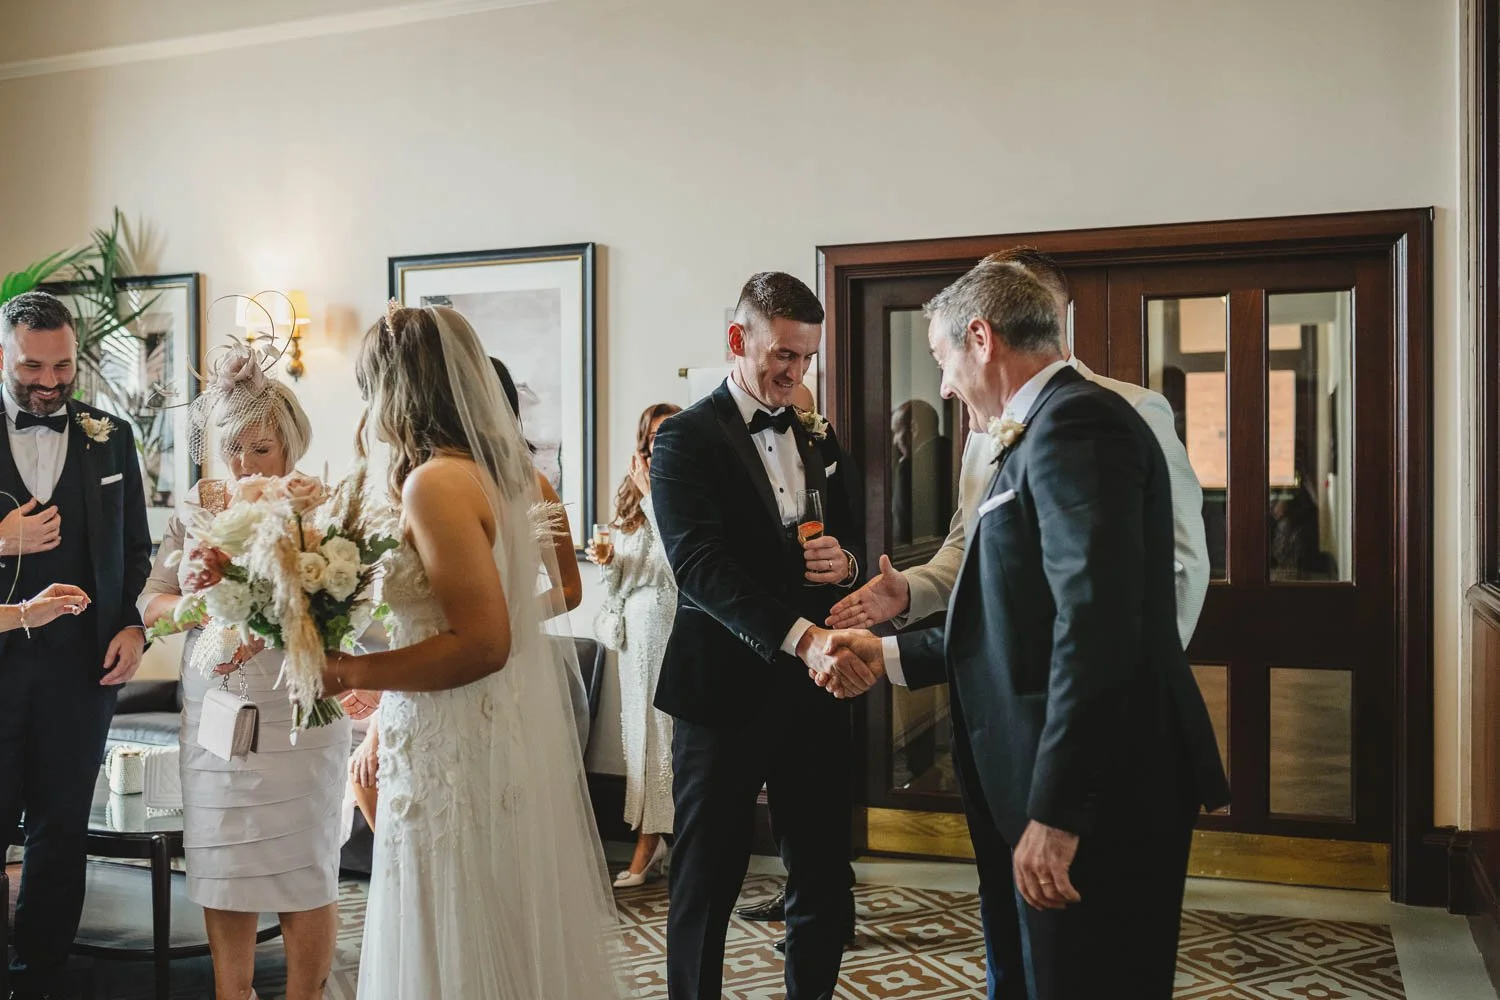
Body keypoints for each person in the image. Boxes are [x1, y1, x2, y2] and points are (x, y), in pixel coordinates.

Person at [817, 261, 1229, 999]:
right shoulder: (1033, 431)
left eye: (943, 360)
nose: (942, 385)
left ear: (981, 338)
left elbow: (1094, 623)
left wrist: (1059, 810)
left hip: (1098, 783)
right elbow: (1011, 619)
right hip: (1048, 768)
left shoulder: (1080, 423)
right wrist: (884, 652)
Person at [322, 303, 618, 999]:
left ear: (398, 389)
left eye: (370, 386)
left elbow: (482, 643)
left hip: (449, 730)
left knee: (450, 908)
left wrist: (351, 670)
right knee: (495, 903)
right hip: (488, 722)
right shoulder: (509, 475)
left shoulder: (435, 484)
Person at [649, 272, 863, 1000]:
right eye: (782, 355)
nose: (795, 373)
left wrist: (847, 561)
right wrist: (802, 637)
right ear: (738, 340)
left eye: (806, 359)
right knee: (706, 880)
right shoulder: (683, 438)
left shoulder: (817, 430)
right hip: (721, 691)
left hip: (812, 691)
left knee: (822, 875)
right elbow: (700, 569)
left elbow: (848, 538)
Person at [828, 246, 1209, 649]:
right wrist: (912, 590)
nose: (944, 386)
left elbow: (1179, 564)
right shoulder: (983, 425)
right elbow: (970, 543)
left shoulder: (1132, 411)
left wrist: (1131, 679)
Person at [138, 347, 347, 1000]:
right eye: (232, 450)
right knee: (223, 866)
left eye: (260, 450)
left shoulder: (324, 514)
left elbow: (356, 615)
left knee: (304, 868)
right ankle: (233, 993)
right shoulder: (195, 512)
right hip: (218, 715)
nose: (244, 466)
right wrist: (198, 600)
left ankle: (305, 995)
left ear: (290, 444)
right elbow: (153, 606)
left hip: (298, 716)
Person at [344, 354, 586, 829]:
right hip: (443, 670)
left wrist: (507, 618)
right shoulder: (452, 482)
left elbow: (570, 588)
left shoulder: (508, 484)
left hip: (487, 667)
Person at [0, 291, 152, 1000]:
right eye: (33, 366)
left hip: (79, 670)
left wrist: (133, 626)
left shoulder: (109, 436)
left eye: (62, 367)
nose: (50, 382)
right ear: (3, 354)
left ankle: (40, 976)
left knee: (61, 832)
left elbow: (135, 550)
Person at [586, 401, 681, 888]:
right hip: (632, 636)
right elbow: (625, 570)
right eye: (652, 440)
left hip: (669, 627)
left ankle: (656, 838)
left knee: (664, 733)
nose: (658, 449)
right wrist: (605, 561)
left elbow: (679, 563)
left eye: (669, 438)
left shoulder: (684, 491)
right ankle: (653, 833)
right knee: (637, 734)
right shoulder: (629, 495)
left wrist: (651, 496)